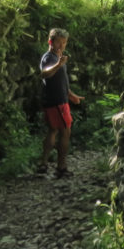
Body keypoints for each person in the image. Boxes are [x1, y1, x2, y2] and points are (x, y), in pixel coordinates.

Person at [37, 27, 84, 178]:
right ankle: (61, 167)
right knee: (65, 132)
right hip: (56, 102)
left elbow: (62, 83)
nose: (62, 46)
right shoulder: (49, 58)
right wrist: (58, 65)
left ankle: (43, 164)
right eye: (59, 42)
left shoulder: (58, 57)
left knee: (53, 130)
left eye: (64, 43)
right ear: (50, 42)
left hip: (59, 101)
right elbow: (44, 73)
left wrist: (71, 95)